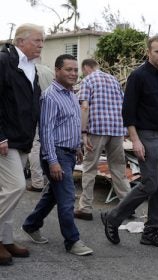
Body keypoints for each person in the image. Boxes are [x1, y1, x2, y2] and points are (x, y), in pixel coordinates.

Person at [101, 35, 158, 248]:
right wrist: (135, 141)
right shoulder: (137, 76)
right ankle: (114, 217)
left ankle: (151, 231)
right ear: (148, 52)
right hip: (145, 136)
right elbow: (127, 113)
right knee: (150, 184)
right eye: (157, 51)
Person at [21, 54, 93, 256]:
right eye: (68, 70)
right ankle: (73, 240)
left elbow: (69, 125)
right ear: (57, 71)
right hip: (56, 154)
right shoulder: (50, 96)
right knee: (67, 198)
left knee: (54, 194)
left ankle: (31, 224)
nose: (73, 73)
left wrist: (78, 146)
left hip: (68, 154)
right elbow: (46, 131)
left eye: (76, 70)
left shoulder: (71, 94)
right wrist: (53, 162)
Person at [0, 23, 44, 266]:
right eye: (37, 40)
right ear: (20, 41)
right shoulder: (4, 61)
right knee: (16, 187)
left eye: (42, 41)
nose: (40, 45)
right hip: (6, 139)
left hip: (23, 139)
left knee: (10, 194)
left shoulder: (31, 68)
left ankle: (5, 240)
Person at [74, 58, 130, 221]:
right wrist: (125, 129)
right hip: (117, 130)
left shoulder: (88, 80)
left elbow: (84, 106)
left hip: (96, 130)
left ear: (86, 68)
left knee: (89, 168)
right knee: (118, 169)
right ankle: (127, 205)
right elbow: (124, 104)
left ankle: (85, 208)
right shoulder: (114, 80)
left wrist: (83, 132)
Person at [27, 64, 54, 192]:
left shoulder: (30, 70)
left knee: (35, 146)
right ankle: (51, 178)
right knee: (49, 144)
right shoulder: (48, 70)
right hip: (51, 110)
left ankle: (37, 182)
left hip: (36, 111)